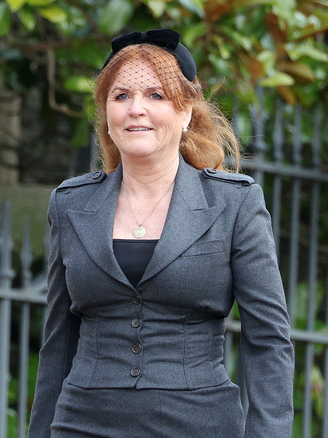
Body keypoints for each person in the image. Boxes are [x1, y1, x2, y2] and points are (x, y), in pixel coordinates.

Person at [28, 29, 294, 437]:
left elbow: (268, 340)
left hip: (199, 424)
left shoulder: (235, 204)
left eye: (156, 95)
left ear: (186, 111)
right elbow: (58, 342)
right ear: (106, 115)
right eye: (121, 96)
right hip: (82, 424)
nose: (136, 109)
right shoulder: (70, 205)